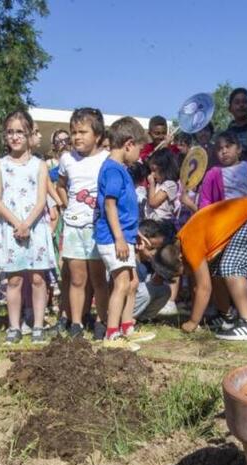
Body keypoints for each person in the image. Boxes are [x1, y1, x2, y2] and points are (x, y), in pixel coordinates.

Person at [0, 110, 56, 345]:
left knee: (38, 278)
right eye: (10, 132)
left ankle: (38, 324)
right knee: (14, 280)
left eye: (20, 132)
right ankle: (14, 326)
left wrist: (27, 223)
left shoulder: (39, 165)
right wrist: (16, 223)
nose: (15, 137)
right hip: (10, 228)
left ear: (29, 134)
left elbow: (41, 200)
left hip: (35, 227)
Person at [198, 130, 247, 325]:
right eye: (219, 149)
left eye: (228, 147)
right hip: (224, 229)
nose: (224, 152)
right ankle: (228, 309)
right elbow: (205, 202)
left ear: (239, 148)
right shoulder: (213, 174)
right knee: (225, 269)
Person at [177, 198, 247, 341]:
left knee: (231, 266)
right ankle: (226, 318)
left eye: (184, 272)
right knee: (216, 271)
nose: (188, 273)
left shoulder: (189, 244)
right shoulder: (185, 239)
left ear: (180, 258)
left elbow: (203, 288)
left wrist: (192, 322)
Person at [57, 107, 109, 339]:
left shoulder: (106, 159)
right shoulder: (67, 159)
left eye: (83, 132)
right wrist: (66, 204)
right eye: (73, 132)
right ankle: (76, 323)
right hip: (73, 227)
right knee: (77, 278)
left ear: (97, 135)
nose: (77, 136)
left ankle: (102, 320)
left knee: (99, 279)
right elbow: (60, 184)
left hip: (97, 228)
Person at [95, 116, 146, 347]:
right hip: (113, 237)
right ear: (128, 144)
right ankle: (111, 333)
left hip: (125, 235)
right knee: (122, 283)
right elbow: (110, 205)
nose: (140, 155)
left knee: (133, 282)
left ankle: (127, 326)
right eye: (139, 149)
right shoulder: (113, 170)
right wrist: (119, 238)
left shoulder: (121, 168)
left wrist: (134, 234)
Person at [134, 220, 178, 321]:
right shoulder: (131, 260)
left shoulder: (150, 263)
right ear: (142, 240)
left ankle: (143, 318)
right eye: (151, 248)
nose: (153, 253)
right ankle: (127, 318)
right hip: (127, 299)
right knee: (146, 292)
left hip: (138, 297)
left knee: (165, 290)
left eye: (157, 250)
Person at [144, 149, 180, 228]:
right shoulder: (158, 185)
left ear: (164, 169)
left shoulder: (170, 185)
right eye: (151, 171)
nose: (152, 174)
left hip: (161, 225)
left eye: (154, 170)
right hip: (151, 222)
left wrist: (152, 184)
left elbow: (153, 203)